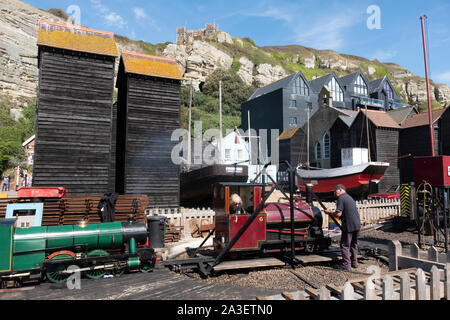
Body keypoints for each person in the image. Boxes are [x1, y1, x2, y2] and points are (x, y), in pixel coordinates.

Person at [324, 184, 361, 271]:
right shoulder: (349, 197)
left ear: (340, 190)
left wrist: (329, 212)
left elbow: (338, 214)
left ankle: (346, 265)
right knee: (354, 244)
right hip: (357, 225)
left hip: (349, 225)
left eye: (335, 191)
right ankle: (355, 263)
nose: (334, 193)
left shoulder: (341, 198)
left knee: (344, 245)